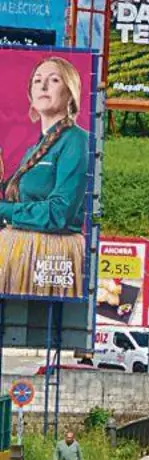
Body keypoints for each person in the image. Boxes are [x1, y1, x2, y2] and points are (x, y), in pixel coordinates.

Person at [0, 55, 90, 298]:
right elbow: (19, 203)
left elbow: (59, 213)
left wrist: (3, 211)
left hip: (51, 257)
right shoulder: (34, 149)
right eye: (37, 80)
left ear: (70, 93)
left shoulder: (77, 141)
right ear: (30, 94)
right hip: (20, 254)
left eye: (54, 80)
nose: (43, 85)